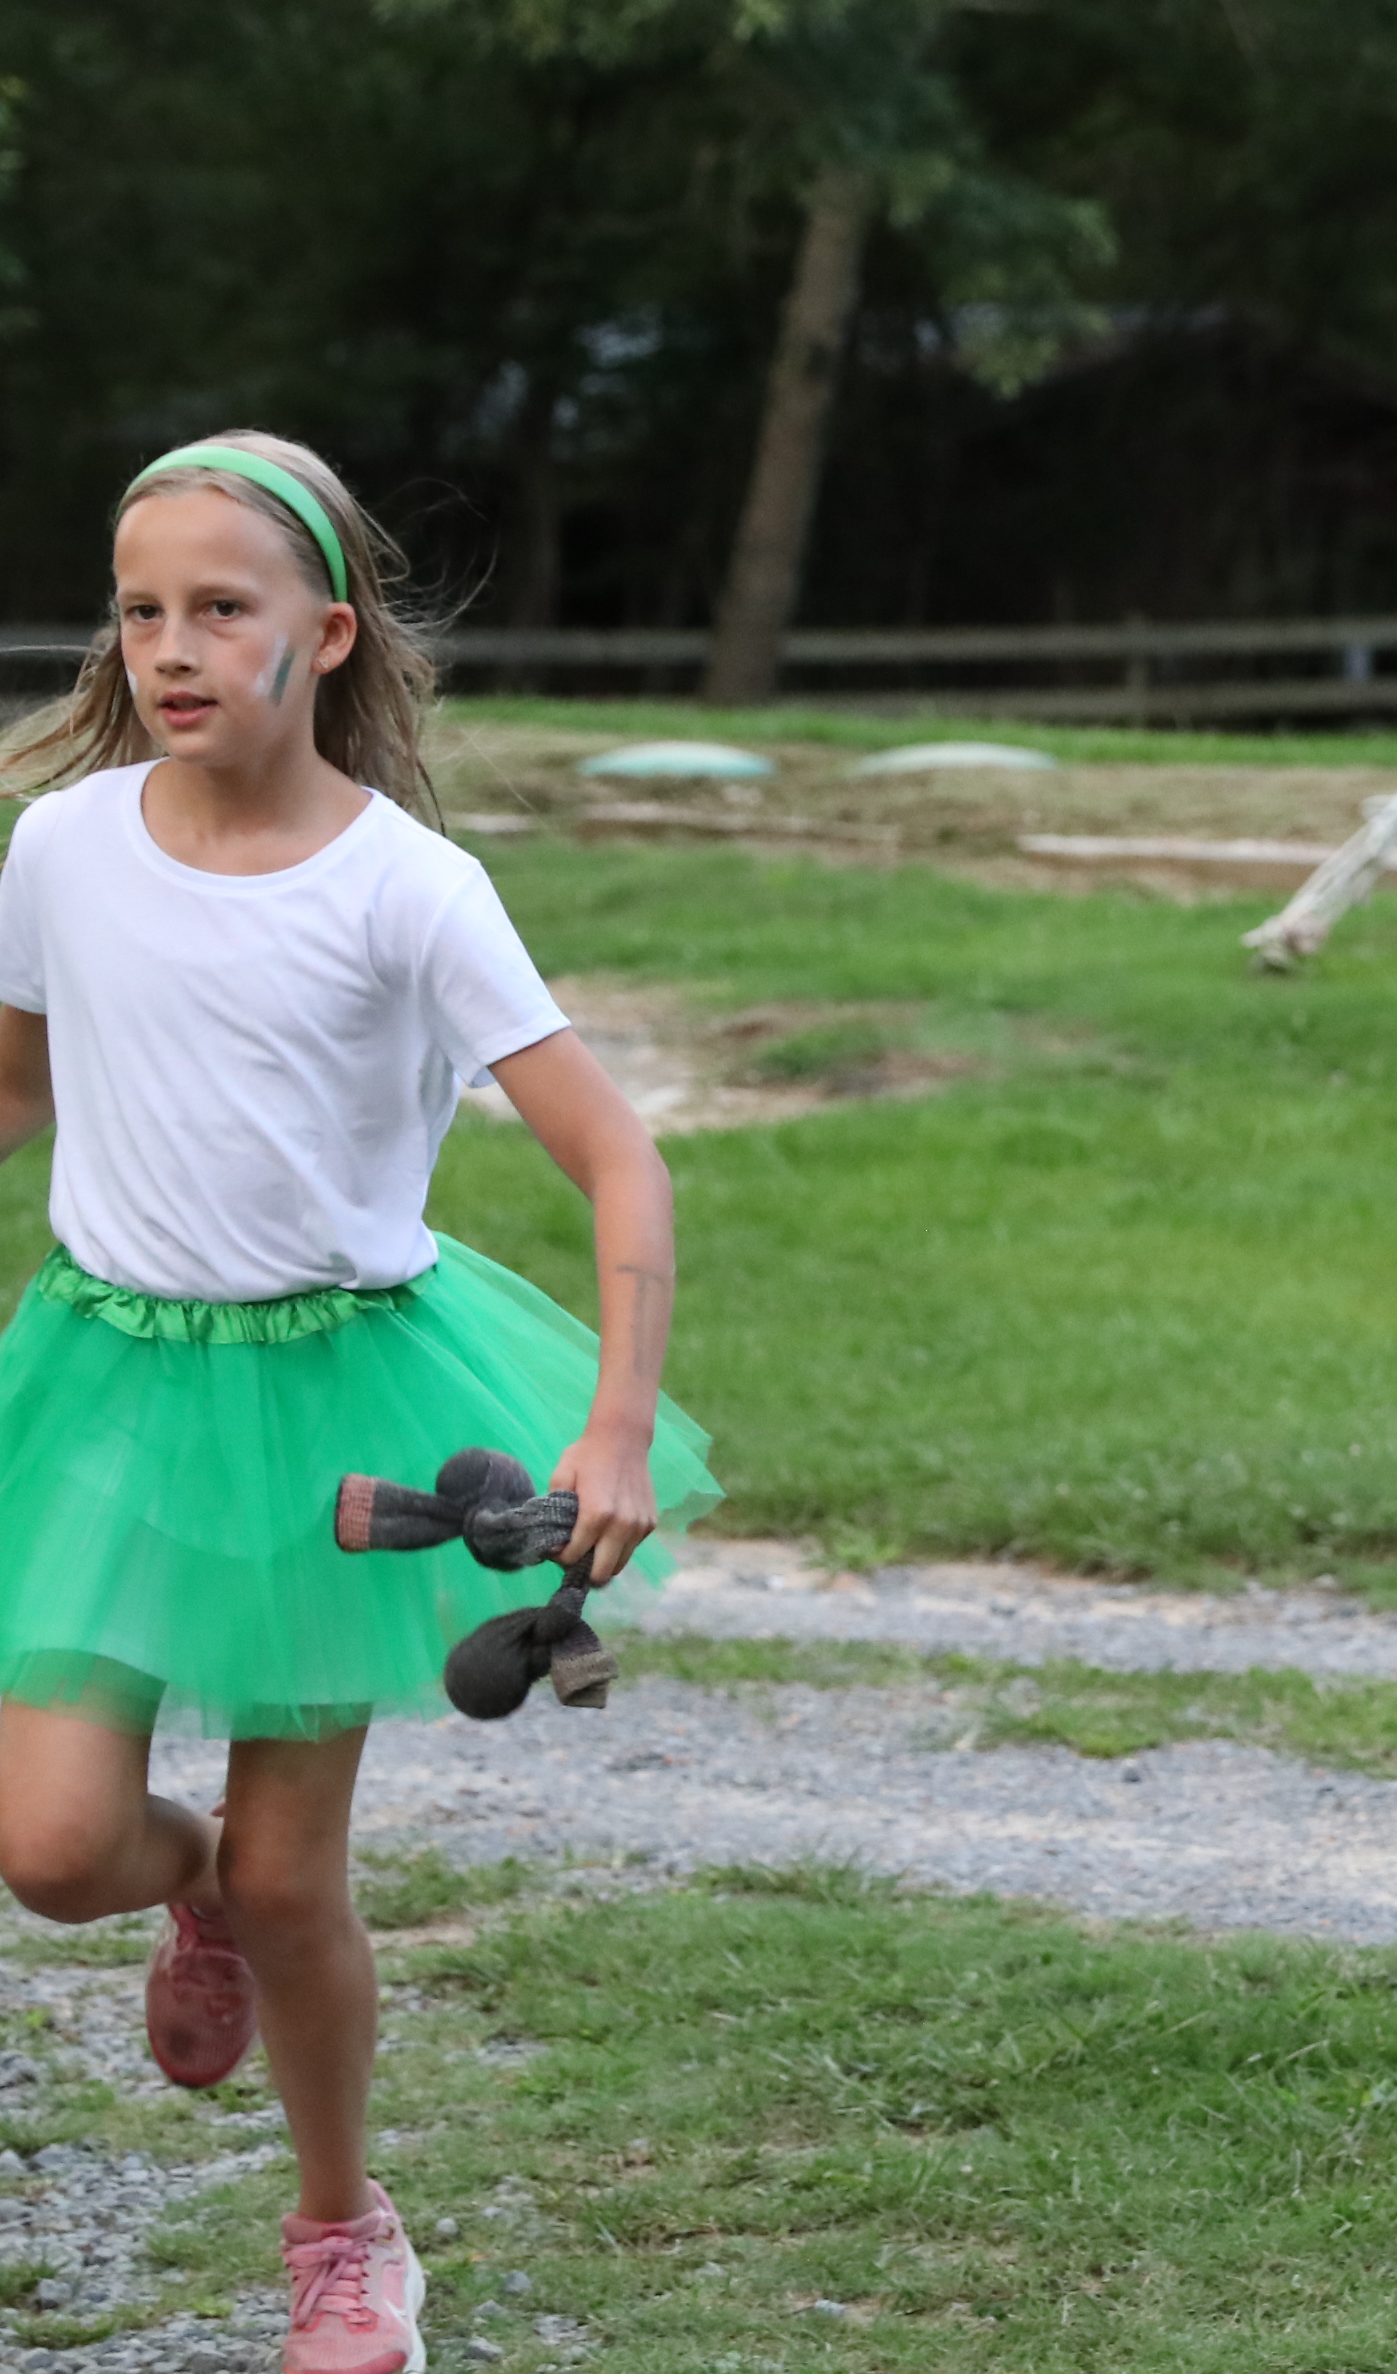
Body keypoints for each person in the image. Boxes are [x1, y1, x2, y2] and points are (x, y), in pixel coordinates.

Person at [0, 433, 720, 2374]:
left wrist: (617, 1424)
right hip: (105, 1379)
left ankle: (343, 2232)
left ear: (322, 635)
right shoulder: (58, 846)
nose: (169, 646)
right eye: (139, 609)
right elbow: (16, 1088)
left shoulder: (411, 886)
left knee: (294, 1867)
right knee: (51, 1849)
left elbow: (619, 1156)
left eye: (217, 607)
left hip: (337, 1409)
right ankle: (194, 1899)